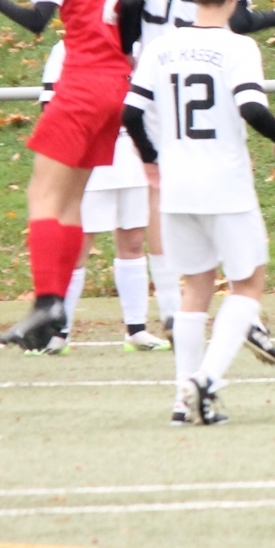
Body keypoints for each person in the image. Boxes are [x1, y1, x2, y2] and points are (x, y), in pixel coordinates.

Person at [118, 0, 275, 367]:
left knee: (167, 194)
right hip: (212, 74)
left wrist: (130, 51)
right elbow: (236, 20)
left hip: (161, 83)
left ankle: (179, 312)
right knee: (228, 181)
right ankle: (243, 311)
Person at [122, 0, 275, 425]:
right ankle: (206, 380)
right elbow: (251, 108)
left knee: (195, 288)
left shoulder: (161, 47)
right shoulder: (238, 46)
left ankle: (183, 400)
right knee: (248, 285)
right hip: (225, 184)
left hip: (177, 186)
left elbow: (131, 114)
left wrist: (152, 159)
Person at [0, 0, 130, 352]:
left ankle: (47, 302)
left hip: (82, 83)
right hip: (116, 83)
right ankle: (54, 308)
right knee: (70, 201)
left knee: (41, 195)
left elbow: (38, 21)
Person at [39, 41, 170, 354]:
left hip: (134, 160)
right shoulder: (68, 48)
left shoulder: (142, 47)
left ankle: (136, 329)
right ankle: (58, 332)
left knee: (133, 242)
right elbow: (49, 105)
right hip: (90, 162)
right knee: (77, 245)